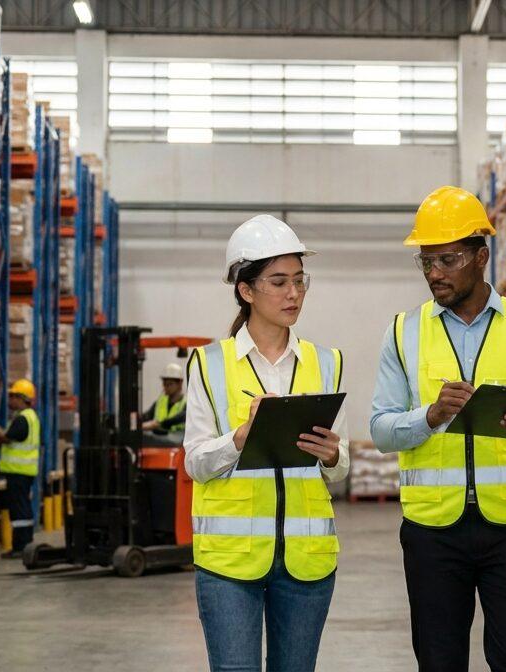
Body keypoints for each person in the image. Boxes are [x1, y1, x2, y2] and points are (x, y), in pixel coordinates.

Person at [370, 185, 506, 672]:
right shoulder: (403, 332)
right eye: (426, 262)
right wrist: (429, 416)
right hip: (432, 531)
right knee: (439, 662)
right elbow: (380, 429)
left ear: (481, 257)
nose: (434, 273)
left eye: (448, 260)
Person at [183, 214, 350, 672]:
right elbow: (195, 462)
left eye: (299, 280)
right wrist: (239, 438)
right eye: (278, 282)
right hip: (230, 563)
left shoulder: (327, 362)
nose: (293, 293)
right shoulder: (208, 364)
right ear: (246, 290)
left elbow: (341, 466)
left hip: (307, 561)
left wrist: (332, 455)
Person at [0, 379, 40, 558]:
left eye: (13, 396)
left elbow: (6, 438)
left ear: (22, 398)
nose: (10, 400)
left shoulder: (23, 419)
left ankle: (21, 547)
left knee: (19, 510)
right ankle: (24, 545)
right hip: (23, 471)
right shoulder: (28, 417)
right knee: (22, 508)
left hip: (18, 472)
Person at [140, 362, 186, 433]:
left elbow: (180, 418)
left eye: (170, 384)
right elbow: (146, 416)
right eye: (164, 384)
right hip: (160, 439)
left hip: (179, 439)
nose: (166, 387)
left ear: (180, 383)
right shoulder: (160, 402)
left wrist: (158, 424)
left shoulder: (187, 403)